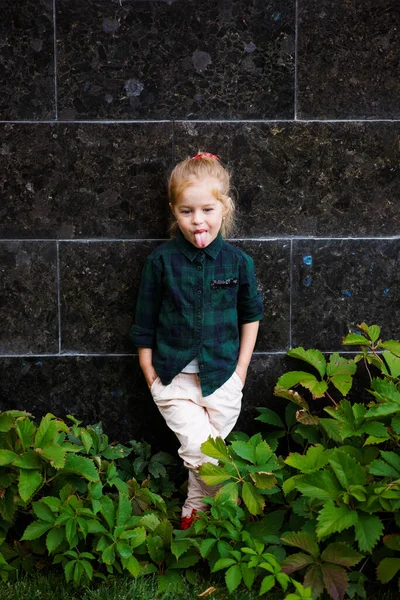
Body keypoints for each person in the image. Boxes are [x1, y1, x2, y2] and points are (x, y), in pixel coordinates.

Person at [130, 152, 263, 529]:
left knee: (204, 453)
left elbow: (251, 315)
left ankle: (194, 511)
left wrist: (241, 371)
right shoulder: (161, 261)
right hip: (173, 378)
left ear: (224, 207)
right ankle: (235, 511)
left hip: (223, 377)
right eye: (187, 211)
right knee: (200, 450)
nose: (198, 220)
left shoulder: (238, 263)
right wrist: (148, 369)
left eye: (207, 209)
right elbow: (144, 317)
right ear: (174, 211)